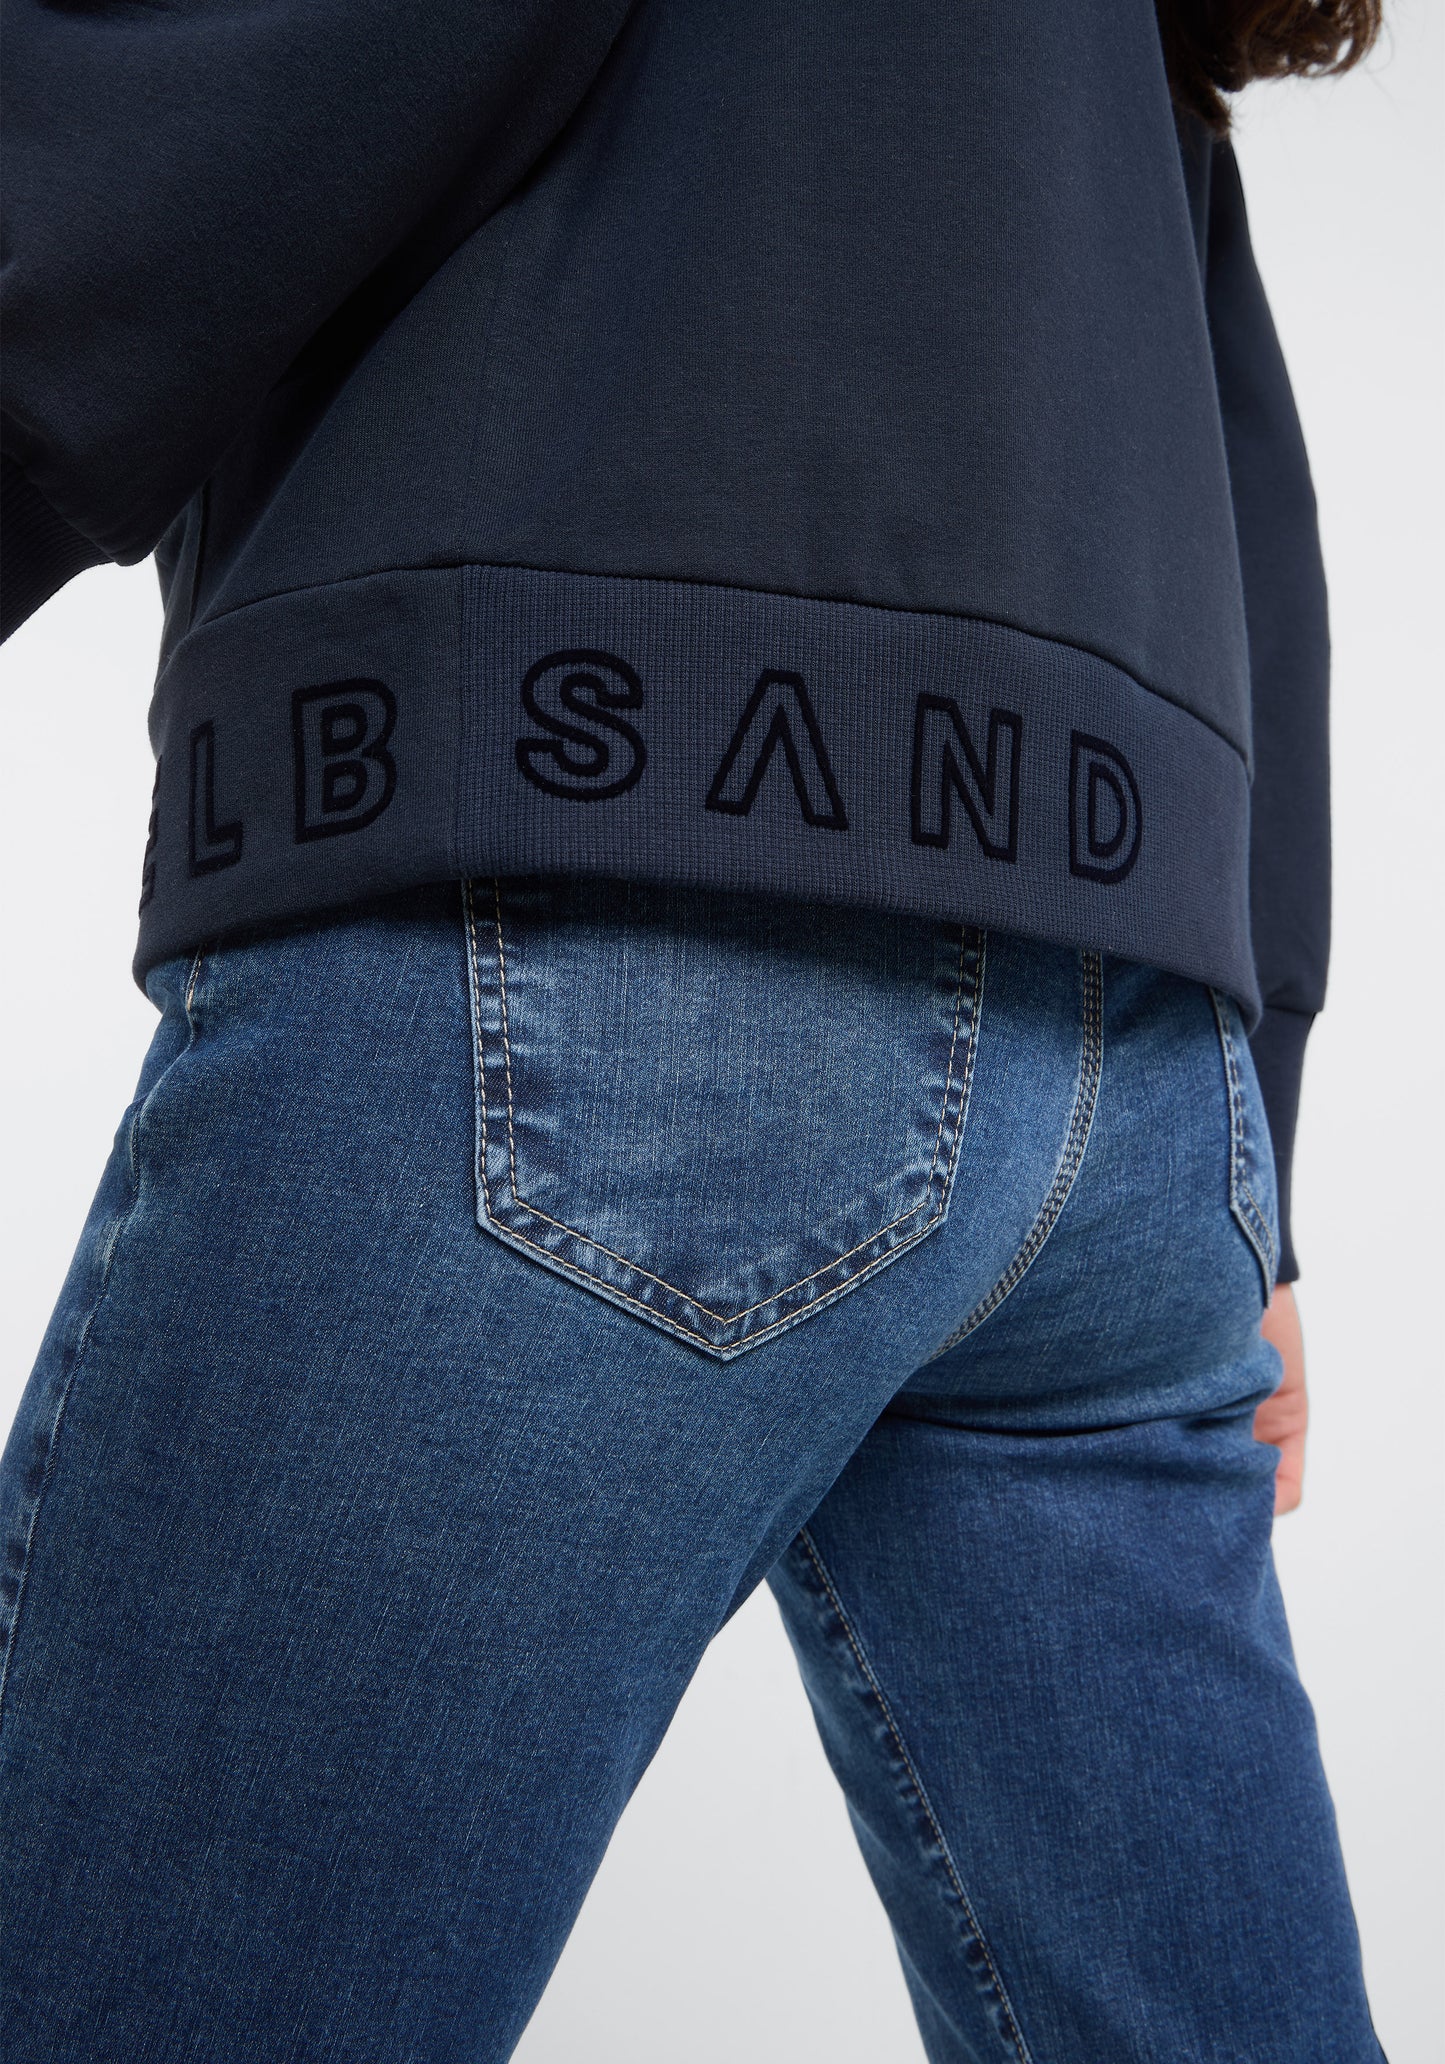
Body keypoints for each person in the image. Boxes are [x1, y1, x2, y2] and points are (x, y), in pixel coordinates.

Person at [0, 1, 1387, 2057]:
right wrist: (1250, 1127)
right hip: (1129, 1106)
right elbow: (1218, 387)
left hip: (608, 949)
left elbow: (205, 113)